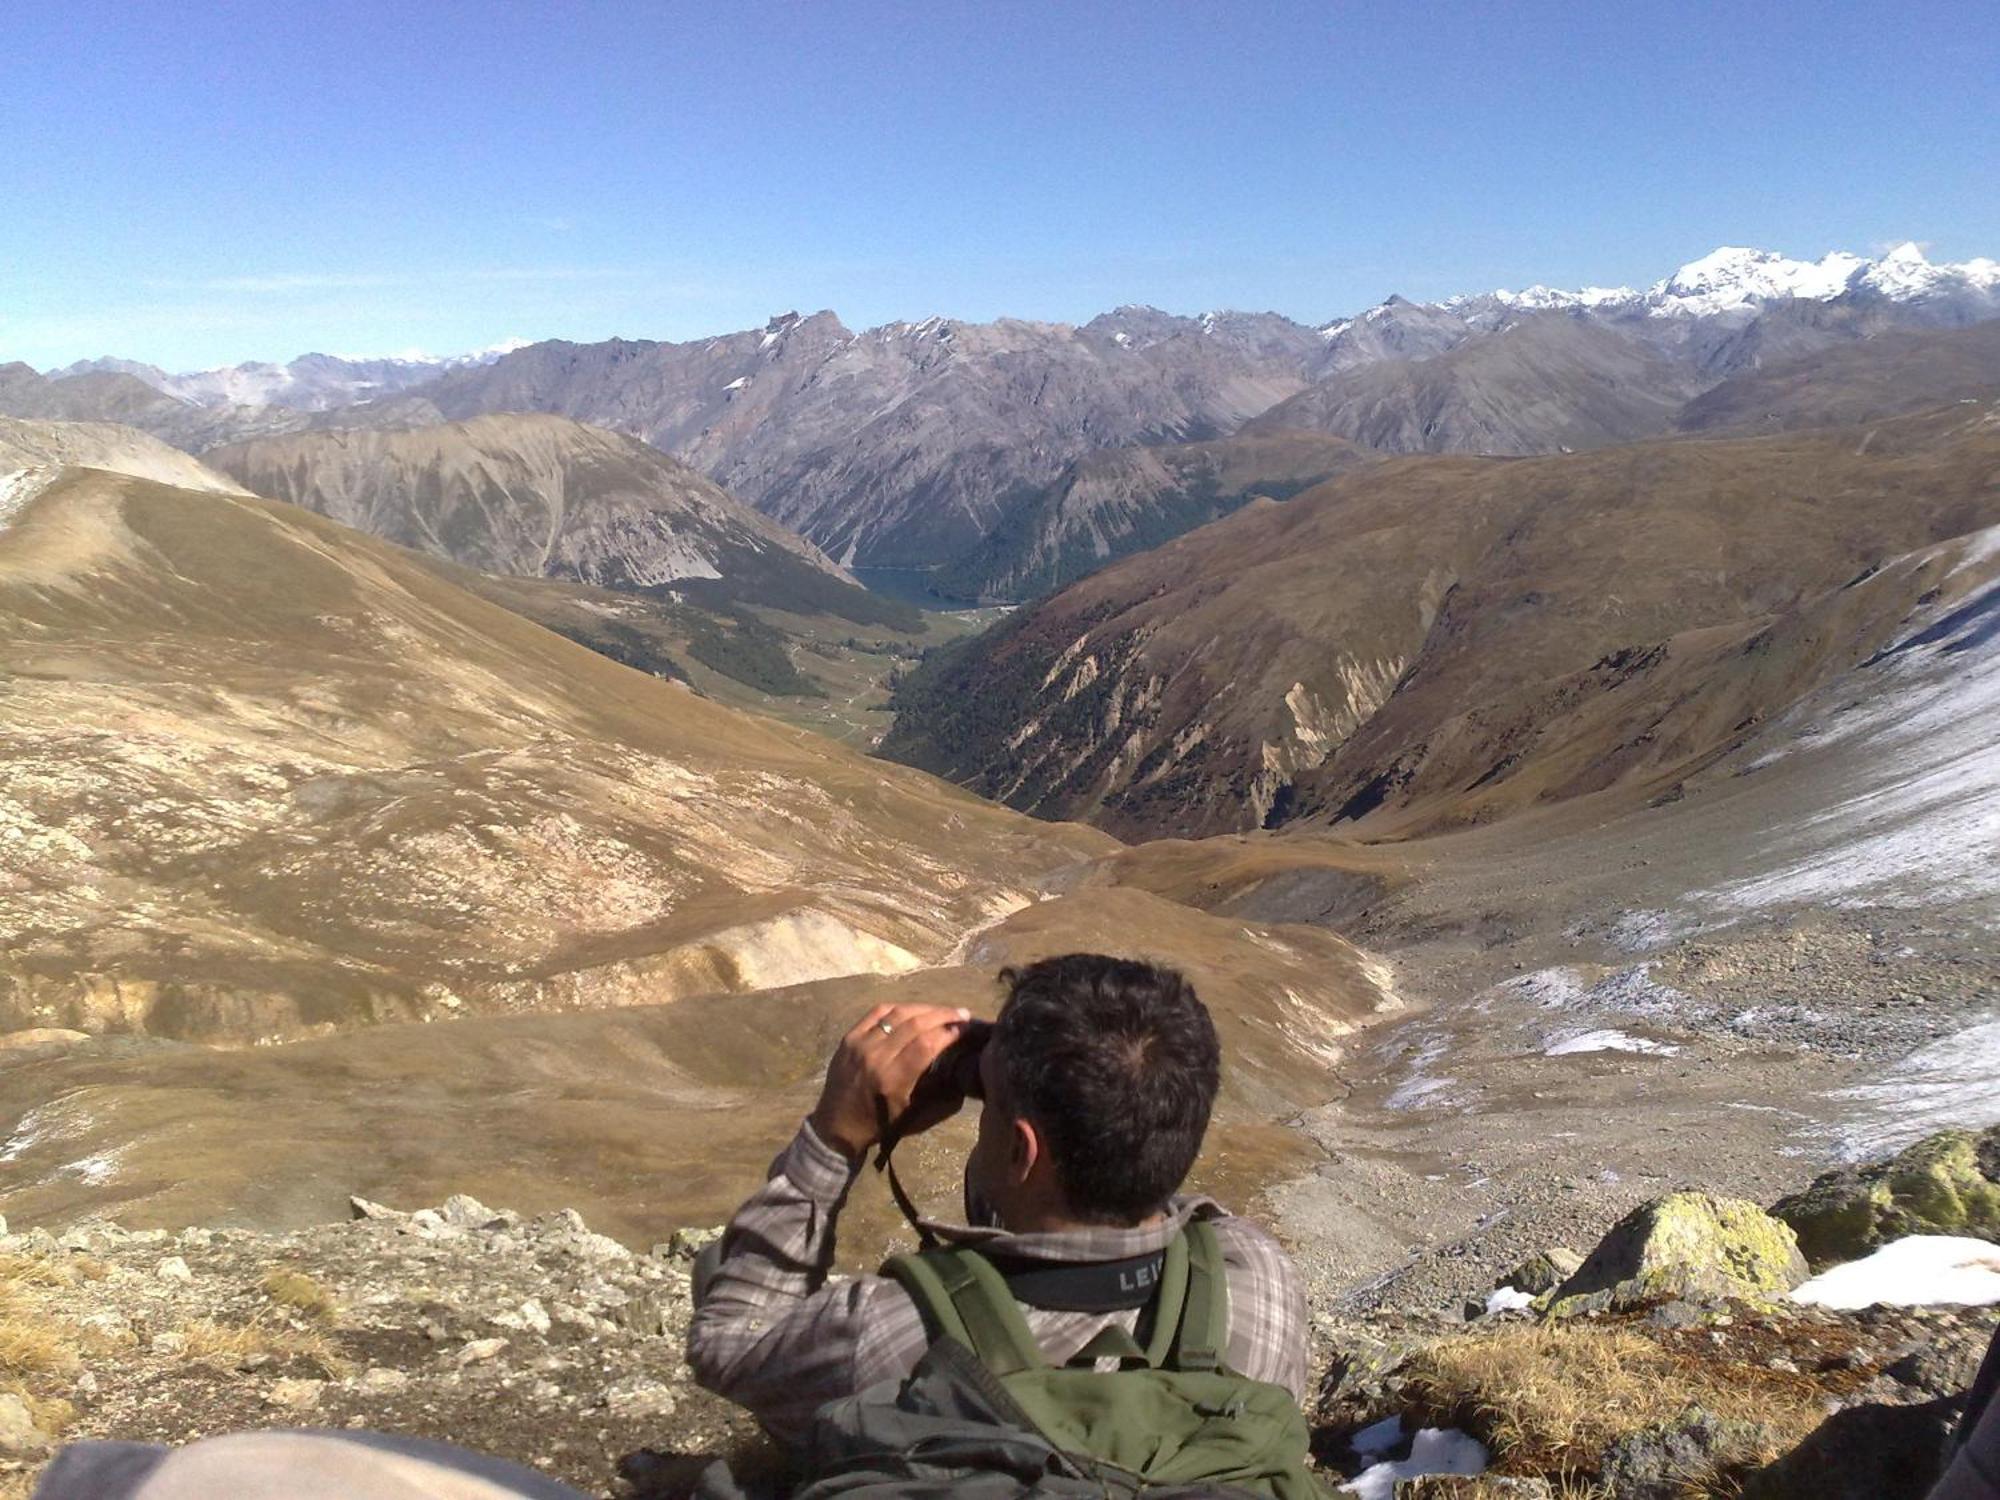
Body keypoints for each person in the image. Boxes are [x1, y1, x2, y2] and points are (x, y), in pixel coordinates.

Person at [684, 953, 1309, 1446]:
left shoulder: (891, 1336)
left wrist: (834, 1138)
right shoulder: (1258, 1275)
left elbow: (731, 1344)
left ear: (1021, 1151)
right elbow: (1116, 1189)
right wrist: (1026, 1088)